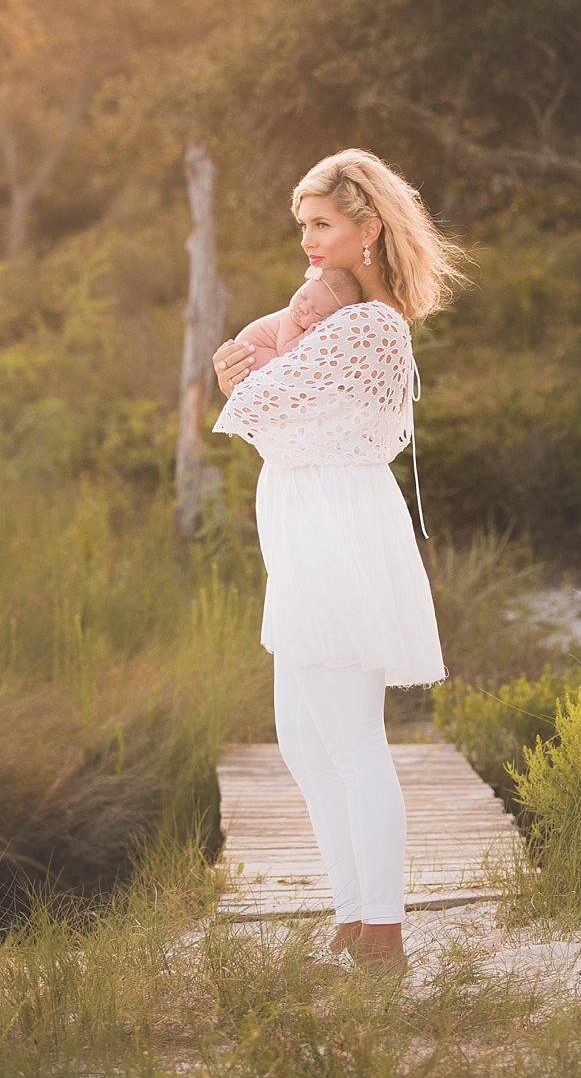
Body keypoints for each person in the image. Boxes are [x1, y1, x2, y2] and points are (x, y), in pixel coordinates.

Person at [210, 149, 467, 970]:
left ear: (369, 228)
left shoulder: (369, 325)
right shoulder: (336, 316)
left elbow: (258, 405)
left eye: (323, 224)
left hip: (337, 526)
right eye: (303, 226)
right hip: (304, 522)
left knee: (352, 740)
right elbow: (266, 401)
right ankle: (353, 917)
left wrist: (248, 367)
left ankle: (383, 934)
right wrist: (251, 364)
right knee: (300, 740)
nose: (309, 241)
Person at [232, 267, 364, 363]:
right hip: (247, 351)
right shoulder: (289, 319)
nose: (302, 308)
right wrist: (306, 336)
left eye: (315, 311)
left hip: (249, 353)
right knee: (278, 363)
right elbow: (285, 351)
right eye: (303, 295)